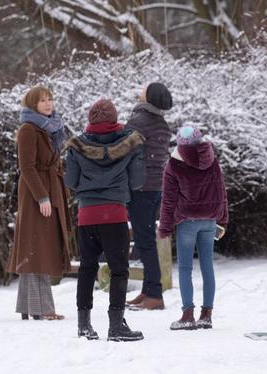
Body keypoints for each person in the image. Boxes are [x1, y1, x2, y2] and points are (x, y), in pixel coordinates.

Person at [64, 99, 146, 341]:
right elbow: (137, 182)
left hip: (87, 215)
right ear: (114, 119)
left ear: (90, 119)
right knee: (119, 270)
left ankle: (84, 325)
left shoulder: (77, 146)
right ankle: (116, 325)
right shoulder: (129, 144)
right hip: (115, 214)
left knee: (87, 269)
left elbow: (70, 181)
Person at [6, 85, 73, 321]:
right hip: (37, 194)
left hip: (50, 189)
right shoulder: (28, 129)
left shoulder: (51, 128)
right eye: (43, 100)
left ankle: (31, 306)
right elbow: (27, 167)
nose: (48, 103)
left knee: (38, 247)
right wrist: (42, 196)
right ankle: (42, 308)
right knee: (36, 248)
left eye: (50, 99)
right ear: (32, 104)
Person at [158, 125, 228, 330]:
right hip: (209, 221)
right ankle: (206, 315)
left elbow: (168, 201)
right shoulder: (212, 160)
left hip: (187, 221)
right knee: (207, 266)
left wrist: (165, 227)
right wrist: (222, 218)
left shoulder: (174, 164)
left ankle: (187, 314)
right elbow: (221, 192)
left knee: (186, 268)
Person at [125, 82, 173, 310]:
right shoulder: (162, 124)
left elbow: (124, 149)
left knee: (144, 241)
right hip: (155, 186)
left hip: (141, 187)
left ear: (149, 97)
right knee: (147, 239)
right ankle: (148, 289)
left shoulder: (138, 122)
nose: (140, 90)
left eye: (144, 89)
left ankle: (155, 294)